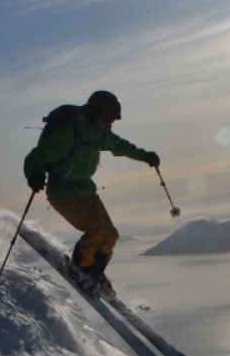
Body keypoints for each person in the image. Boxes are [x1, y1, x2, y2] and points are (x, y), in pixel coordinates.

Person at [23, 90, 160, 297]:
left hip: (85, 190)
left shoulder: (99, 134)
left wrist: (145, 156)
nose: (109, 125)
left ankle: (95, 273)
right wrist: (34, 174)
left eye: (111, 122)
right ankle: (80, 269)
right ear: (96, 114)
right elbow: (36, 157)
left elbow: (121, 146)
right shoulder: (69, 133)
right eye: (107, 120)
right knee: (96, 230)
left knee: (110, 234)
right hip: (63, 193)